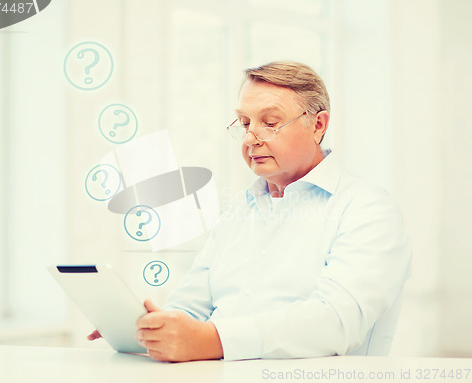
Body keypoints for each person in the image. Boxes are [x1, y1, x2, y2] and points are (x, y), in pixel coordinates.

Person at [88, 61, 412, 362]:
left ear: (318, 125)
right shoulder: (239, 211)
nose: (250, 138)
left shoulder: (368, 210)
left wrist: (213, 340)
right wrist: (154, 329)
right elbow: (193, 304)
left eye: (269, 123)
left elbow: (338, 322)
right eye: (244, 123)